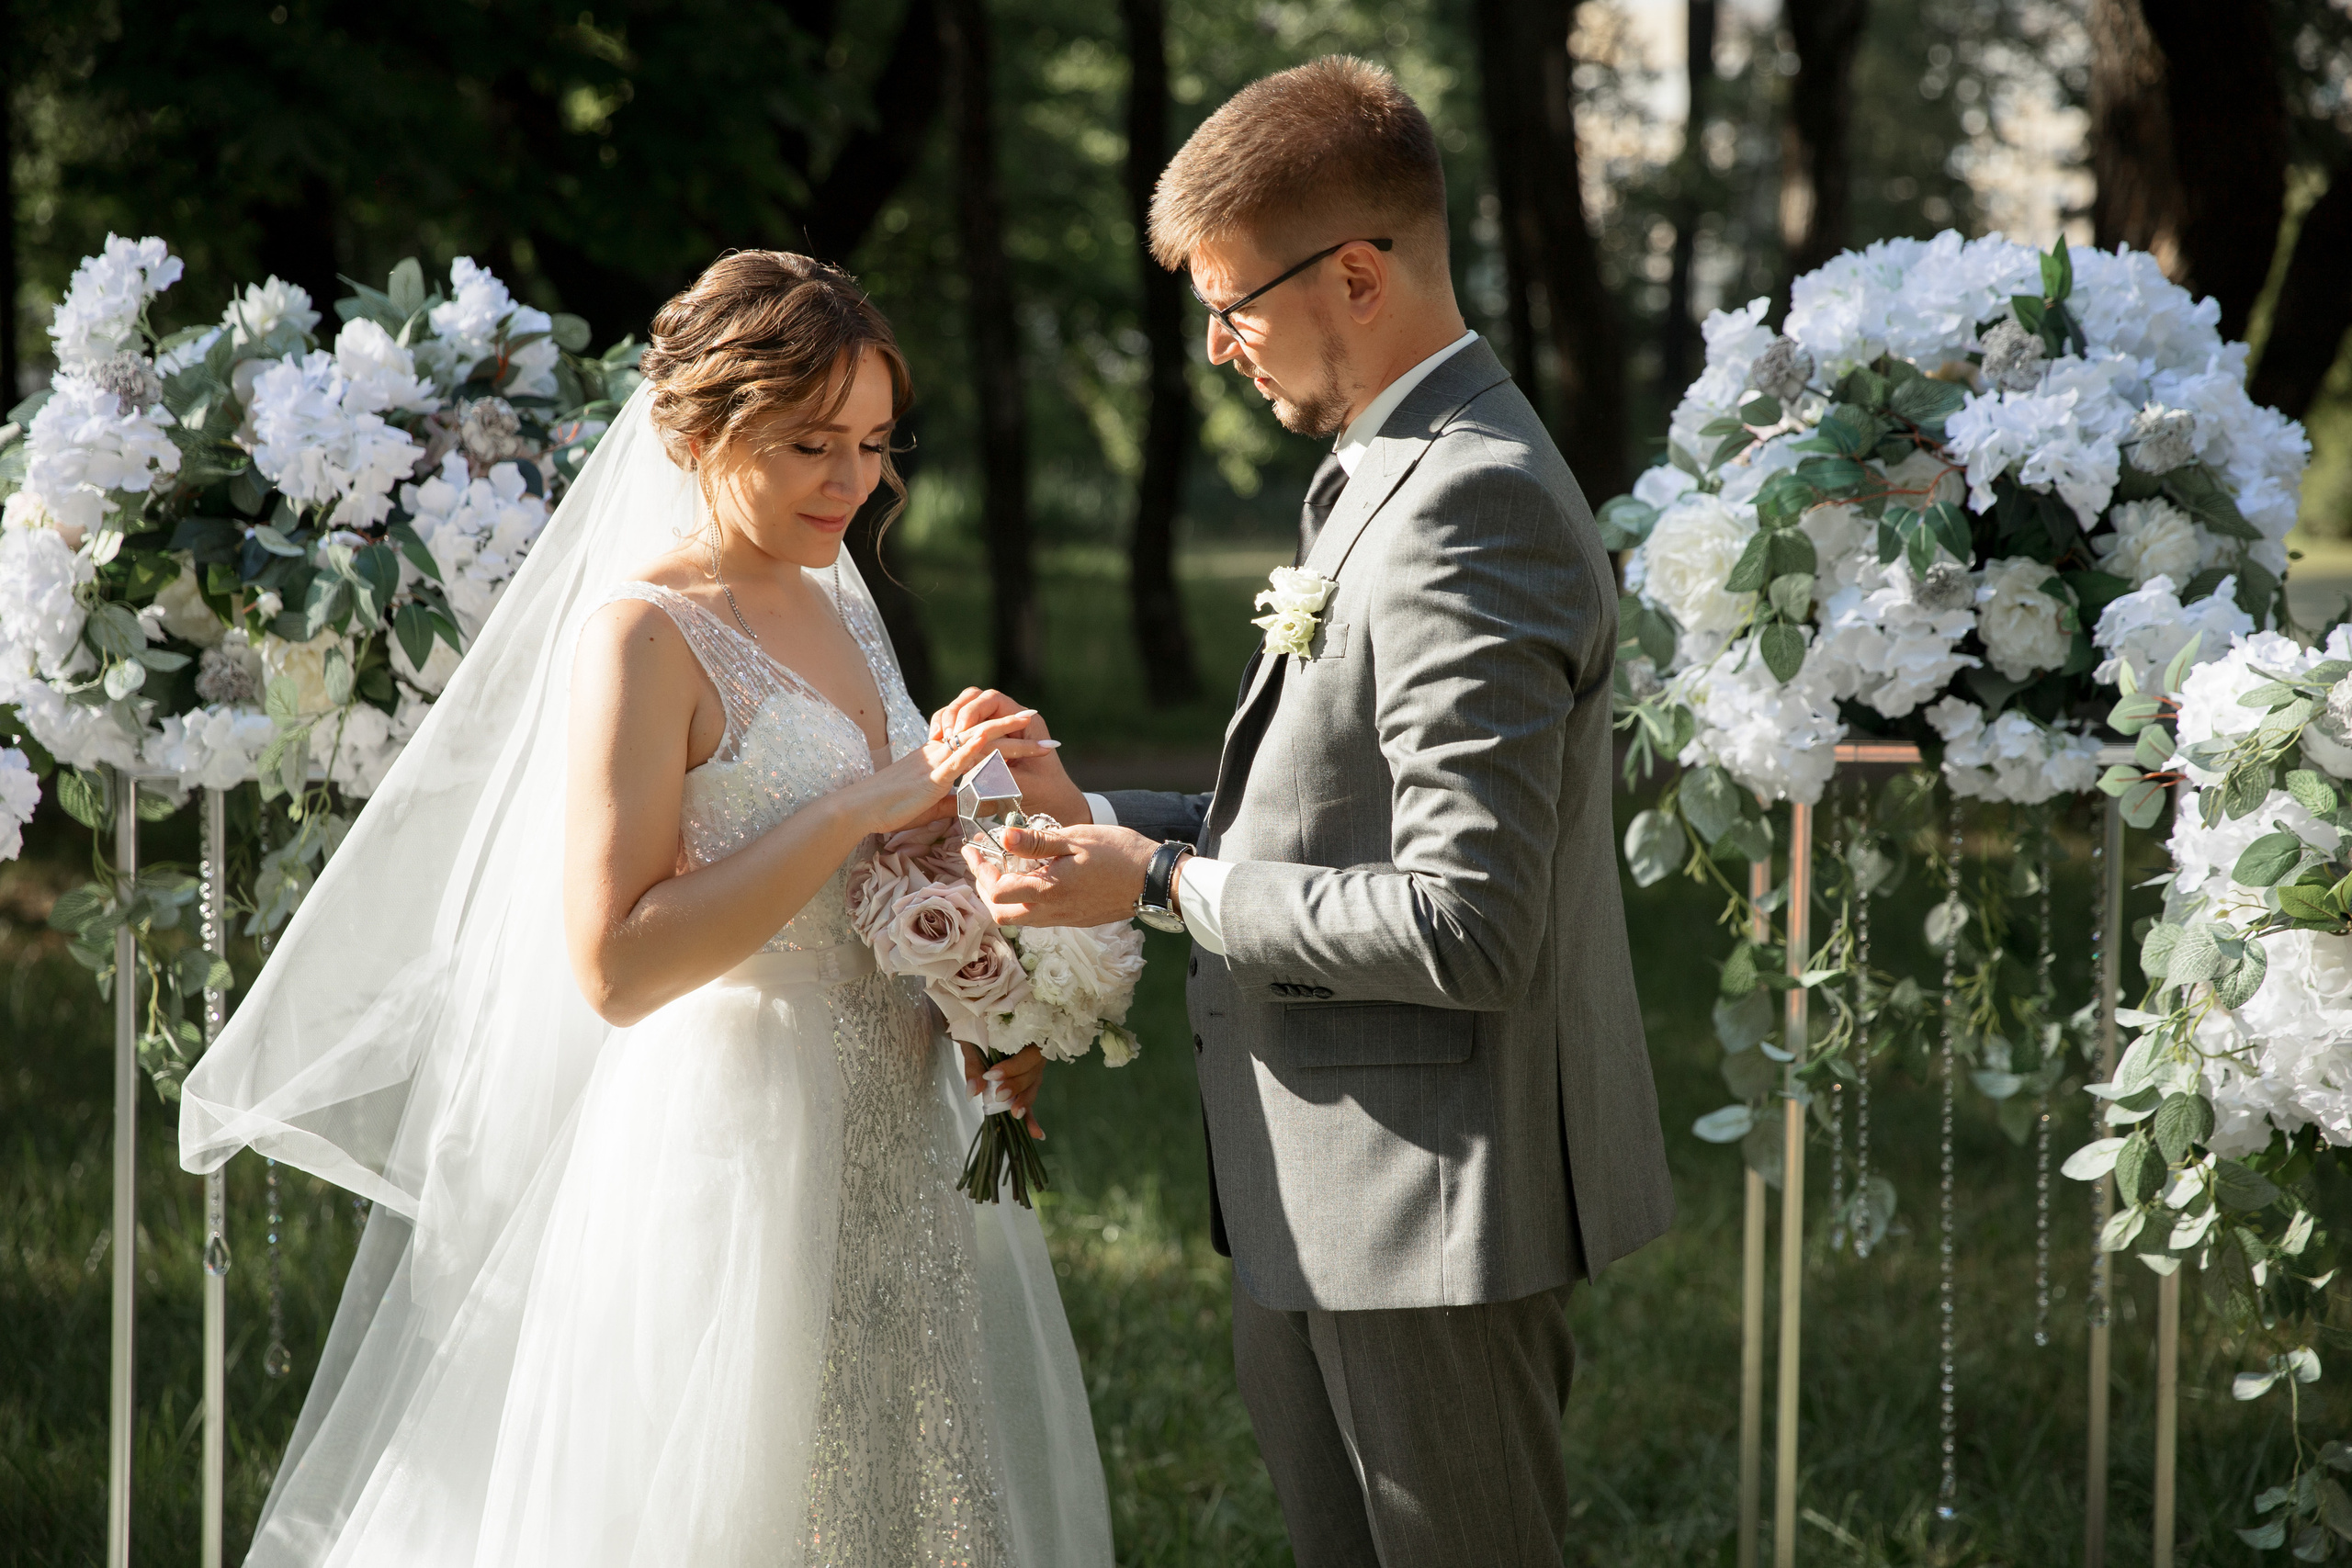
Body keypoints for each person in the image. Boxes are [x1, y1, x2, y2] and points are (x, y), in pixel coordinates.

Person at [179, 253, 1114, 1566]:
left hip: (895, 1119)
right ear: (696, 429)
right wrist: (854, 809)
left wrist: (981, 963)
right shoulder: (647, 634)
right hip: (741, 1130)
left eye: (870, 444)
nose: (851, 483)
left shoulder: (840, 600)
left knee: (890, 1496)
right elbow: (616, 966)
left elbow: (878, 866)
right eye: (807, 445)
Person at [944, 57, 1674, 1566]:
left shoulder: (1473, 499)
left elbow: (1468, 923)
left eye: (1234, 306)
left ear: (1356, 273)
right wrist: (1101, 811)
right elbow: (1329, 804)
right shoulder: (1385, 470)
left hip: (1431, 1207)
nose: (1216, 348)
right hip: (1339, 1186)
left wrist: (1152, 879)